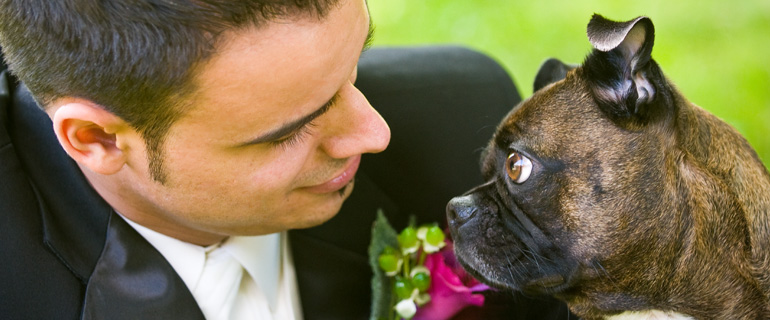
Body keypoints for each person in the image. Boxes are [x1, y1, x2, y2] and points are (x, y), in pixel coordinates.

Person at [0, 0, 575, 319]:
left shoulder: (459, 123)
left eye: (354, 63)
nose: (374, 134)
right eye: (290, 130)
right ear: (97, 139)